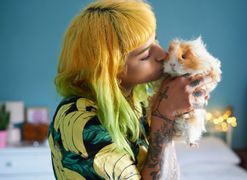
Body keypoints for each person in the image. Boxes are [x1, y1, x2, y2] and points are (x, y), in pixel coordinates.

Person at [48, 0, 212, 179]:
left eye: (155, 39)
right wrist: (164, 116)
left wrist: (170, 111)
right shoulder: (83, 123)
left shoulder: (137, 97)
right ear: (110, 70)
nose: (163, 55)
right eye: (146, 54)